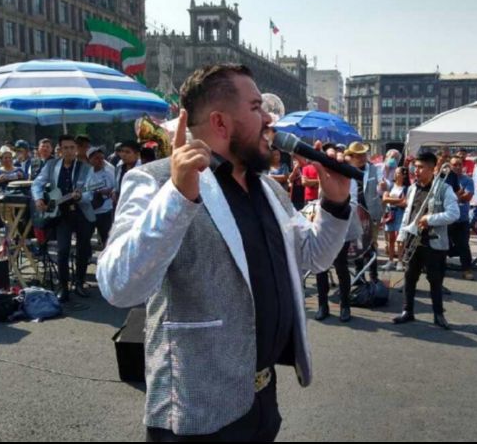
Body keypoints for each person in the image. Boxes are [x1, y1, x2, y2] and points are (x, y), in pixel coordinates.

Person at [97, 64, 351, 441]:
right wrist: (178, 197)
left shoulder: (269, 190)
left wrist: (336, 203)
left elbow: (313, 256)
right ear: (220, 122)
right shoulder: (155, 180)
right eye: (256, 107)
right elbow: (119, 286)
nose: (270, 119)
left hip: (261, 401)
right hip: (196, 413)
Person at [393, 152, 460, 329]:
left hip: (434, 242)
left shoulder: (444, 189)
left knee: (435, 280)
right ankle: (407, 311)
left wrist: (430, 219)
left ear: (432, 169)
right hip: (413, 239)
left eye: (421, 167)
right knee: (409, 278)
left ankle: (438, 315)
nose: (416, 170)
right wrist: (401, 236)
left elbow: (454, 214)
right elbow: (408, 214)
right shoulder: (412, 188)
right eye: (415, 166)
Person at [32, 135, 96, 302]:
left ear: (76, 149)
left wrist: (80, 197)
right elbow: (37, 183)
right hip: (61, 213)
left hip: (81, 213)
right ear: (59, 150)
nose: (69, 151)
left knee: (83, 249)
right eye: (65, 148)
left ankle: (80, 283)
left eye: (72, 147)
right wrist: (39, 198)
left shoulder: (86, 168)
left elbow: (90, 193)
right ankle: (63, 286)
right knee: (62, 250)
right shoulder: (51, 165)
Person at [315, 144, 361, 323]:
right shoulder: (324, 176)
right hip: (324, 228)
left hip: (343, 228)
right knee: (321, 268)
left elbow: (353, 204)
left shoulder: (348, 178)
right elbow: (319, 199)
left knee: (341, 267)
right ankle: (322, 305)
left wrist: (337, 204)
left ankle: (345, 305)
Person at [346, 141, 384, 285]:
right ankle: (359, 275)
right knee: (357, 244)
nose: (362, 158)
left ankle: (374, 276)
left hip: (371, 213)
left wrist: (383, 186)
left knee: (371, 245)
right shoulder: (347, 170)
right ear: (351, 157)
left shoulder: (374, 169)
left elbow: (382, 185)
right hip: (354, 213)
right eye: (358, 155)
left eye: (363, 155)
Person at [447, 155, 476, 280]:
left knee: (464, 245)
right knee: (442, 245)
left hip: (462, 218)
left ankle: (467, 270)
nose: (458, 167)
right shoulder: (445, 180)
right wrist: (459, 195)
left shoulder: (468, 180)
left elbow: (468, 197)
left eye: (460, 164)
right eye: (454, 165)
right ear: (450, 166)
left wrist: (451, 197)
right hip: (446, 219)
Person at [86, 146, 115, 250]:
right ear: (90, 159)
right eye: (97, 158)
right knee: (84, 239)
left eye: (102, 158)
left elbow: (116, 187)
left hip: (105, 211)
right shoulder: (86, 173)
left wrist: (108, 191)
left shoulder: (109, 171)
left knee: (107, 240)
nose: (100, 161)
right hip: (89, 211)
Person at [380, 166, 408, 271]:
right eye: (395, 173)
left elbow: (405, 203)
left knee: (400, 238)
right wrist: (399, 200)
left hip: (400, 213)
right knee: (390, 238)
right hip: (390, 213)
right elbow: (384, 199)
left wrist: (391, 200)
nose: (396, 175)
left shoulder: (407, 188)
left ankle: (400, 261)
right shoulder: (391, 185)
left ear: (404, 175)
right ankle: (390, 260)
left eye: (398, 173)